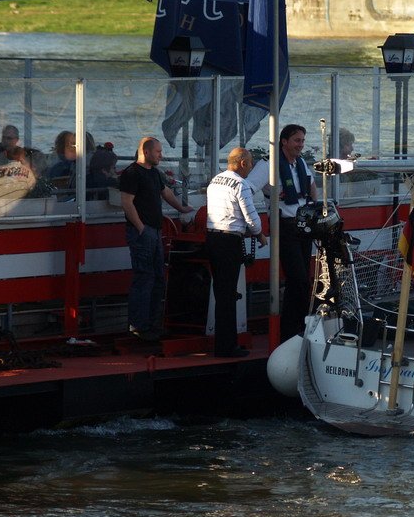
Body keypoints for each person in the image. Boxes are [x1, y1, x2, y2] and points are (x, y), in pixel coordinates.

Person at [119, 136, 193, 341]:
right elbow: (127, 202)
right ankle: (138, 325)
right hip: (143, 232)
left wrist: (181, 207)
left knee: (158, 277)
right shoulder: (132, 173)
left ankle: (152, 324)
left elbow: (166, 192)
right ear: (146, 151)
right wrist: (140, 227)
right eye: (158, 151)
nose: (161, 155)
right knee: (144, 276)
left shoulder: (155, 173)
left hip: (155, 230)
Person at [205, 147, 267, 357]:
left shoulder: (215, 181)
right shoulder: (240, 184)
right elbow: (250, 216)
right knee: (228, 295)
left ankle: (223, 344)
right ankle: (226, 347)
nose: (250, 167)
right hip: (229, 241)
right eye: (250, 163)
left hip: (212, 238)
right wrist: (259, 234)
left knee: (220, 292)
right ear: (242, 164)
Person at [273, 123, 318, 342]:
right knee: (297, 277)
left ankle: (297, 327)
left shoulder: (300, 163)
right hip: (286, 225)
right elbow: (251, 185)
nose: (300, 145)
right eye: (296, 141)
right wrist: (272, 194)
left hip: (303, 222)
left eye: (302, 141)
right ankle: (290, 330)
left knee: (302, 279)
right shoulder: (272, 164)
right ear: (284, 142)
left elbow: (311, 185)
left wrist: (316, 210)